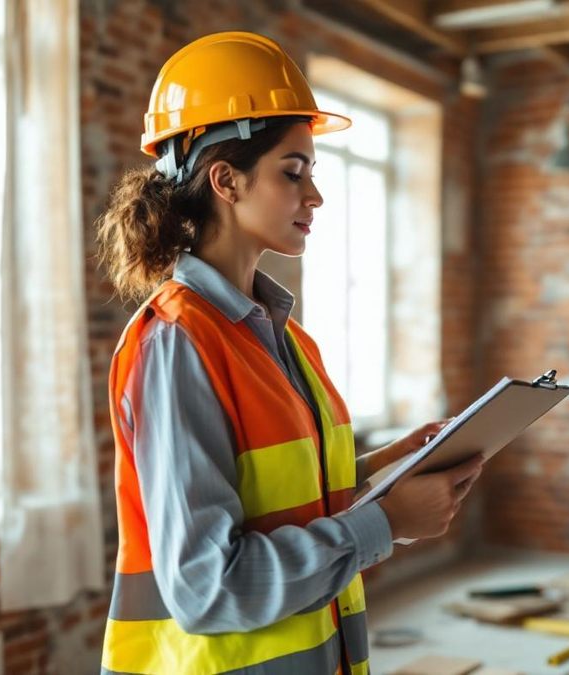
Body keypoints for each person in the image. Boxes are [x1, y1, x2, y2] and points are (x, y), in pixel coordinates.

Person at [94, 31, 484, 675]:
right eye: (292, 172)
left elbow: (284, 495)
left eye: (313, 174)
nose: (315, 196)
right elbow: (209, 588)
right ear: (226, 180)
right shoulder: (177, 343)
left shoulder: (284, 338)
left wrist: (390, 466)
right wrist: (386, 522)